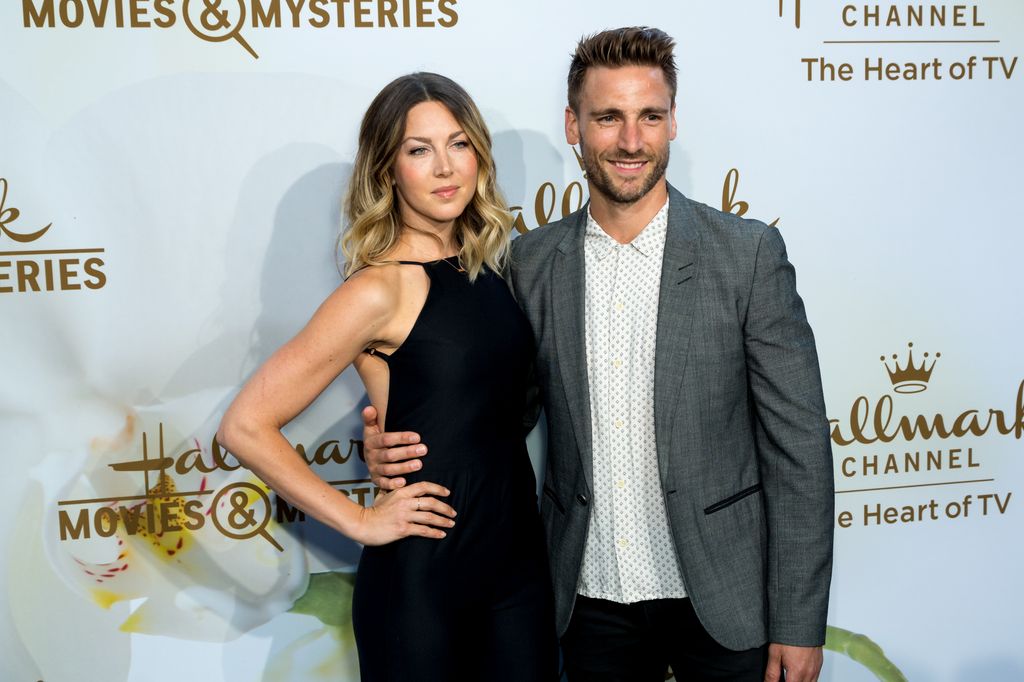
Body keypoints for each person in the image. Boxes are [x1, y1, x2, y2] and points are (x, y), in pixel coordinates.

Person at [362, 28, 835, 682]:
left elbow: (800, 450)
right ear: (574, 126)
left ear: (674, 122)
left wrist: (799, 621)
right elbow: (493, 412)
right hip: (586, 606)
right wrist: (404, 438)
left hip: (727, 601)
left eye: (650, 116)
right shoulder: (528, 263)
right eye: (608, 117)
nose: (631, 140)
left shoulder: (746, 256)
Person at [217, 72, 557, 681]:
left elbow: (491, 408)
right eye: (418, 150)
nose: (445, 167)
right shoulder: (378, 288)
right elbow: (245, 426)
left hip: (517, 570)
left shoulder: (493, 267)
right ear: (387, 170)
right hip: (422, 581)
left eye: (458, 144)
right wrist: (359, 520)